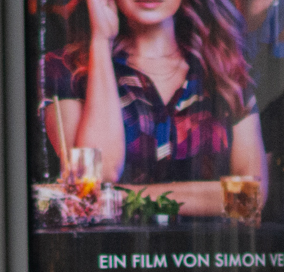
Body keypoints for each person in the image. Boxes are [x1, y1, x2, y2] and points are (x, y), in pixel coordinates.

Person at [43, 0, 265, 219]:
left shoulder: (224, 69)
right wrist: (100, 42)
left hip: (207, 254)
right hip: (110, 254)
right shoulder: (64, 69)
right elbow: (97, 180)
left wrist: (126, 197)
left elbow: (250, 198)